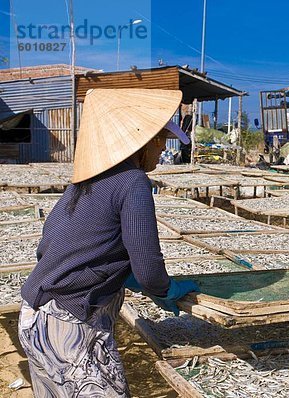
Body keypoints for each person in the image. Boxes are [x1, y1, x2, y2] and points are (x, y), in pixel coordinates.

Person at [18, 88, 200, 397]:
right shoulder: (133, 182)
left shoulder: (85, 183)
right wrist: (164, 288)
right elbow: (147, 264)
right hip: (69, 330)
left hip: (35, 318)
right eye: (163, 143)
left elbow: (50, 247)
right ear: (148, 141)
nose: (162, 153)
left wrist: (123, 277)